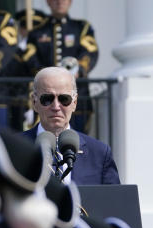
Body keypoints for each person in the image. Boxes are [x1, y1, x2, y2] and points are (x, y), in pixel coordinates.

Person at [21, 66, 120, 186]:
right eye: (47, 99)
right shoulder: (15, 148)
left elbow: (114, 201)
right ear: (34, 102)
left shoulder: (99, 153)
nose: (56, 107)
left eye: (64, 99)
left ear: (75, 103)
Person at [20, 0, 99, 132]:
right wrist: (47, 77)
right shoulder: (37, 31)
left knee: (78, 141)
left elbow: (90, 52)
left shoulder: (82, 28)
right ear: (48, 2)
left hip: (78, 97)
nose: (59, 2)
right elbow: (30, 59)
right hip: (47, 100)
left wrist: (78, 69)